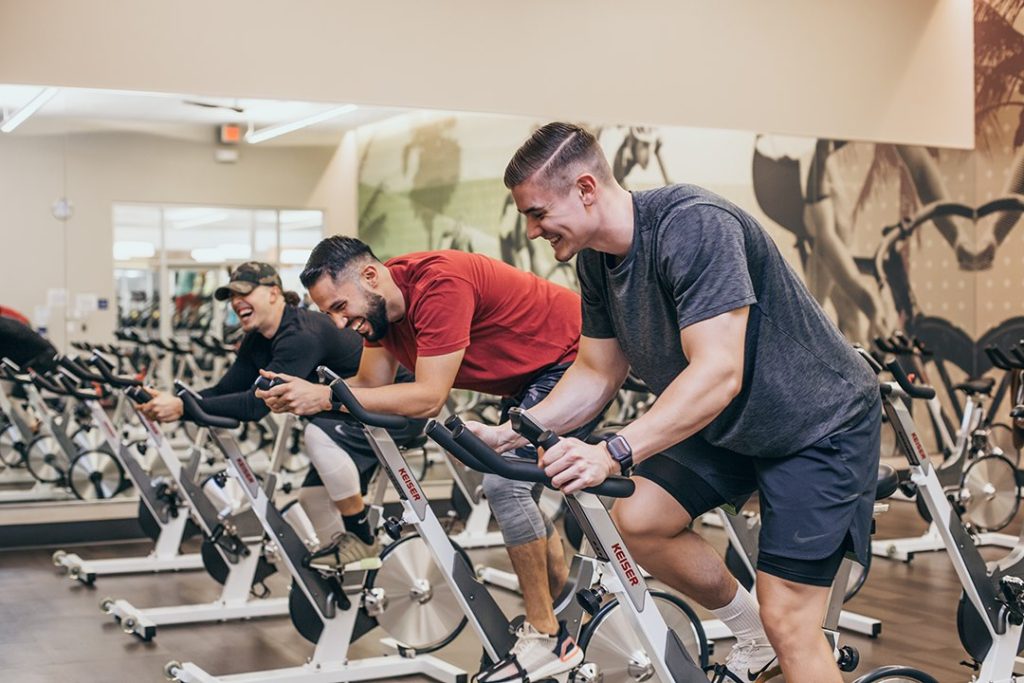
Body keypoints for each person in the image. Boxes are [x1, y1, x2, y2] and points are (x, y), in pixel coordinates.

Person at [469, 122, 881, 683]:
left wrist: (614, 451)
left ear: (586, 188)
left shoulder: (691, 224)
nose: (534, 229)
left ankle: (772, 632)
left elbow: (717, 372)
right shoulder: (596, 260)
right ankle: (750, 632)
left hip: (816, 424)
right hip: (734, 424)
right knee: (638, 520)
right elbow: (597, 370)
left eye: (538, 213)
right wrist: (516, 431)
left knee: (790, 619)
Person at [257, 240, 595, 683]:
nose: (339, 322)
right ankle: (557, 609)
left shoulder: (439, 284)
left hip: (572, 361)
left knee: (503, 485)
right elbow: (370, 385)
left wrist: (324, 396)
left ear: (371, 277)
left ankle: (550, 639)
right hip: (527, 379)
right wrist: (301, 395)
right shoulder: (378, 315)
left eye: (340, 306)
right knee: (513, 488)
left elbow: (428, 398)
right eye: (330, 314)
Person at [138, 261, 416, 561]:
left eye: (244, 293)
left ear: (273, 293)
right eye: (231, 296)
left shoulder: (301, 334)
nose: (236, 302)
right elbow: (225, 391)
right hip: (347, 415)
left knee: (317, 434)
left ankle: (363, 540)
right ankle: (348, 570)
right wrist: (175, 399)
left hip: (394, 408)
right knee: (314, 498)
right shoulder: (257, 339)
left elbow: (256, 405)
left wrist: (181, 407)